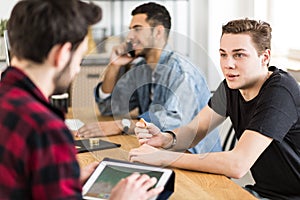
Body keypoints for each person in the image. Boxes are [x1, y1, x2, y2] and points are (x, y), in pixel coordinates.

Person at [0, 0, 163, 199]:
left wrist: (66, 183)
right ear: (62, 55)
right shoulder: (46, 129)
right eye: (80, 57)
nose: (77, 69)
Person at [129, 18, 300, 200]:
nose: (228, 64)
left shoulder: (280, 92)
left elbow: (237, 164)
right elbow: (196, 131)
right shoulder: (231, 86)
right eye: (223, 54)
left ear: (264, 57)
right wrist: (165, 139)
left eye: (239, 55)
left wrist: (163, 157)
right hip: (266, 192)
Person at [78, 2, 221, 154]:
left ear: (158, 32)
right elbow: (109, 108)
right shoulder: (141, 69)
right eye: (130, 30)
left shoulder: (182, 72)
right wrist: (114, 66)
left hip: (195, 160)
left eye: (137, 29)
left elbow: (171, 123)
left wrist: (122, 125)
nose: (130, 36)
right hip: (162, 151)